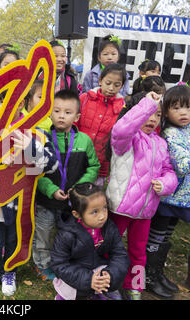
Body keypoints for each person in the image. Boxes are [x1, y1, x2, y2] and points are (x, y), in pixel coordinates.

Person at [0, 91, 58, 297]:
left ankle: (9, 272)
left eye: (5, 101)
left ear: (21, 104)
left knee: (14, 241)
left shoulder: (34, 134)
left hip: (21, 203)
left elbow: (51, 166)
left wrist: (30, 148)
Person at [105, 91, 178, 300]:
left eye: (157, 115)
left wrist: (165, 184)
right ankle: (108, 282)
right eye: (148, 113)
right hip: (119, 207)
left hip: (145, 211)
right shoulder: (126, 139)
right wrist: (147, 104)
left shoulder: (161, 144)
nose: (152, 119)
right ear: (137, 112)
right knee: (111, 246)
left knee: (138, 251)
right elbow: (122, 128)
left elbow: (169, 171)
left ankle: (134, 285)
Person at [34, 90, 100, 281]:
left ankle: (65, 262)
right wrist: (51, 189)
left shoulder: (84, 141)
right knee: (43, 234)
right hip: (46, 201)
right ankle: (42, 264)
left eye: (68, 112)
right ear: (50, 113)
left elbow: (93, 166)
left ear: (77, 116)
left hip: (73, 203)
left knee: (69, 235)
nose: (61, 116)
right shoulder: (41, 140)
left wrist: (79, 188)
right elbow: (34, 172)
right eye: (57, 111)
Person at [145, 84, 190, 298]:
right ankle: (148, 276)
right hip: (167, 197)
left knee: (165, 238)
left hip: (181, 199)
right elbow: (182, 165)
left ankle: (157, 272)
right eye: (177, 108)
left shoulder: (186, 131)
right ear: (166, 111)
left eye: (188, 108)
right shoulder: (170, 134)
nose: (183, 113)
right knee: (157, 236)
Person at [50, 183, 130, 300]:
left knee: (114, 278)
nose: (102, 216)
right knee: (75, 291)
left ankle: (100, 291)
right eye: (94, 212)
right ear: (77, 214)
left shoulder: (109, 227)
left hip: (99, 271)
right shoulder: (66, 234)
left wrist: (110, 274)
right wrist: (88, 280)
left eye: (104, 208)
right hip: (77, 274)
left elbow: (120, 254)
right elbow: (59, 264)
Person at [77, 63, 126, 186]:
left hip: (101, 164)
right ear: (100, 80)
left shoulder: (122, 108)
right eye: (108, 83)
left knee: (93, 198)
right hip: (77, 157)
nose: (111, 88)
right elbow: (73, 125)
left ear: (122, 86)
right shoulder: (85, 99)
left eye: (117, 85)